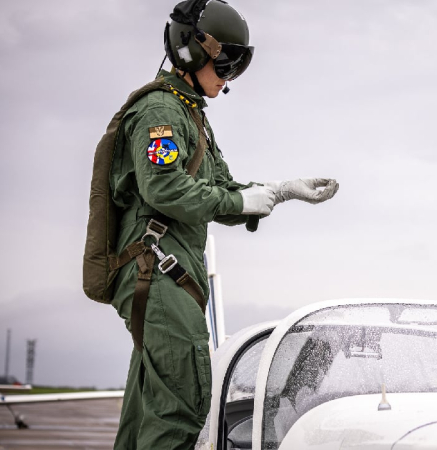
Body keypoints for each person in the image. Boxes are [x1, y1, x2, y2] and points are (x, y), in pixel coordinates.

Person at [101, 1, 338, 447]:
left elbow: (221, 190)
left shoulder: (190, 114)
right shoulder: (161, 114)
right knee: (181, 407)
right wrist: (239, 199)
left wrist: (280, 191)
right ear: (192, 53)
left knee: (148, 411)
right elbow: (164, 190)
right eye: (224, 62)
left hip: (169, 275)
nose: (228, 76)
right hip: (157, 274)